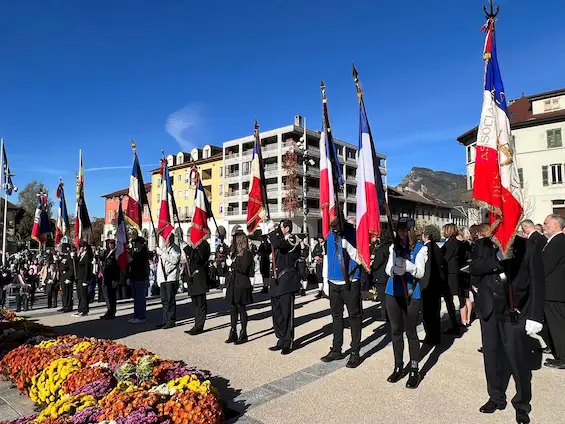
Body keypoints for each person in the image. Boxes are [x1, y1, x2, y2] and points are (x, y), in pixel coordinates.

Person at [471, 223, 544, 424]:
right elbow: (474, 268)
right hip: (489, 311)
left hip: (515, 311)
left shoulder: (529, 247)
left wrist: (535, 315)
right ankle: (495, 397)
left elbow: (538, 283)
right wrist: (496, 261)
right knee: (491, 357)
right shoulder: (483, 245)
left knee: (518, 360)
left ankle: (521, 403)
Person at [384, 217, 425, 388]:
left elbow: (420, 272)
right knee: (395, 331)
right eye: (400, 229)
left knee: (411, 333)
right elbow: (387, 269)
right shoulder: (394, 247)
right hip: (392, 292)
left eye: (405, 229)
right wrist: (394, 269)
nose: (402, 232)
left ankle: (414, 369)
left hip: (411, 294)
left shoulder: (421, 249)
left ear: (411, 231)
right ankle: (398, 366)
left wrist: (407, 266)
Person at [320, 220, 362, 368]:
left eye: (335, 226)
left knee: (354, 317)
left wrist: (348, 247)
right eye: (331, 227)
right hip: (333, 283)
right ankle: (336, 348)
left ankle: (355, 352)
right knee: (336, 316)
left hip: (350, 281)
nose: (333, 229)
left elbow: (361, 258)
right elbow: (326, 257)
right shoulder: (330, 236)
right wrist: (325, 279)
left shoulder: (353, 234)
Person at [267, 219, 301, 355]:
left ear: (286, 229)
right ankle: (280, 338)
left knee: (286, 313)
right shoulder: (279, 240)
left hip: (287, 281)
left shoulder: (292, 239)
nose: (279, 230)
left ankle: (288, 341)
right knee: (277, 313)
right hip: (276, 281)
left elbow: (279, 244)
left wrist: (272, 230)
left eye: (280, 228)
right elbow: (268, 247)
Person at [541, 214, 565, 370]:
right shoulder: (556, 241)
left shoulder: (558, 242)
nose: (544, 225)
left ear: (556, 225)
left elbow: (545, 266)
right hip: (554, 291)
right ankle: (559, 354)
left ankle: (563, 358)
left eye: (546, 223)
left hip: (555, 292)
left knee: (558, 325)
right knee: (556, 324)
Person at [225, 232, 255, 345]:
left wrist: (232, 264)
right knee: (232, 308)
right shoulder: (234, 253)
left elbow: (243, 268)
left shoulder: (247, 253)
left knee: (241, 309)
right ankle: (233, 331)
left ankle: (244, 332)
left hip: (242, 284)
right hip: (232, 284)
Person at [419, 225, 445, 346]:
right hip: (437, 283)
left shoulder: (425, 249)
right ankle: (436, 336)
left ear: (426, 236)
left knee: (427, 312)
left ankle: (430, 336)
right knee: (435, 311)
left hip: (427, 283)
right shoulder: (437, 248)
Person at [184, 236, 211, 335]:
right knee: (195, 304)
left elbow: (198, 258)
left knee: (201, 304)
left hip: (199, 277)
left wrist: (189, 249)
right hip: (193, 279)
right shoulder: (195, 247)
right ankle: (196, 325)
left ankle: (199, 326)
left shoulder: (204, 245)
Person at [156, 233, 181, 329]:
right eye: (164, 239)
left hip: (171, 278)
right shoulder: (164, 249)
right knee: (164, 300)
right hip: (163, 279)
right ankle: (165, 320)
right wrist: (159, 279)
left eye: (166, 239)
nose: (165, 241)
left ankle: (171, 320)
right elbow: (160, 266)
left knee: (170, 300)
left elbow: (174, 260)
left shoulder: (175, 249)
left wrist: (162, 253)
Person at [441, 223, 462, 334]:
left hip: (450, 273)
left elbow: (444, 258)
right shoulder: (455, 241)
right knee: (450, 301)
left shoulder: (450, 243)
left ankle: (454, 326)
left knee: (449, 300)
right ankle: (454, 324)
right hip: (453, 272)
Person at [128, 236, 150, 324]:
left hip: (141, 277)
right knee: (136, 298)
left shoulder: (144, 252)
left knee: (140, 298)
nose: (134, 244)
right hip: (135, 277)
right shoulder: (136, 252)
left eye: (136, 242)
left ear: (140, 243)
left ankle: (141, 316)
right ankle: (136, 315)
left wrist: (131, 259)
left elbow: (138, 263)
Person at [372, 231, 393, 321]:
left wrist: (372, 267)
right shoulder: (392, 247)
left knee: (383, 298)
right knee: (388, 297)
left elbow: (377, 263)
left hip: (381, 276)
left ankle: (385, 315)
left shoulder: (382, 248)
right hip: (389, 275)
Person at [457, 227, 473, 327]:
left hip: (461, 272)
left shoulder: (461, 246)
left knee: (462, 298)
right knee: (468, 297)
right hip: (469, 272)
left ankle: (463, 320)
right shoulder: (471, 244)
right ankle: (468, 319)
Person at [100, 240, 120, 320]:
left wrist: (116, 279)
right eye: (109, 244)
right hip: (106, 277)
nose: (110, 245)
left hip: (112, 277)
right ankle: (109, 310)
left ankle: (112, 311)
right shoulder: (107, 253)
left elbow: (117, 267)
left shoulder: (116, 253)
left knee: (111, 296)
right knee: (107, 295)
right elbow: (104, 261)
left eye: (111, 244)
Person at [73, 243, 93, 317]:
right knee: (80, 295)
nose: (79, 249)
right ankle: (80, 309)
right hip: (79, 278)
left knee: (84, 295)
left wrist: (86, 280)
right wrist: (75, 256)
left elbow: (87, 269)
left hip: (83, 278)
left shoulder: (87, 256)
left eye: (80, 247)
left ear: (84, 248)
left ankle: (85, 310)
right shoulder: (81, 256)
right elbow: (76, 263)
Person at [59, 244, 75, 313]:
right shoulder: (64, 257)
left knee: (68, 293)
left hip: (67, 277)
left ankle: (68, 306)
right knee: (63, 293)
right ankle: (64, 305)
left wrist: (69, 278)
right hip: (62, 276)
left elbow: (71, 268)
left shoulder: (70, 257)